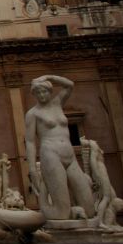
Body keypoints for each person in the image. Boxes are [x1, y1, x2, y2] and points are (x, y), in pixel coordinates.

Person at [25, 75, 95, 220]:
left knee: (89, 209)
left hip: (70, 156)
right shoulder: (33, 114)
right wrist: (32, 169)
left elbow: (69, 85)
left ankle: (74, 211)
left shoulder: (57, 104)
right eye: (38, 92)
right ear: (34, 94)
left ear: (50, 92)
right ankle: (52, 209)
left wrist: (48, 77)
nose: (42, 95)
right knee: (62, 213)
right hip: (51, 154)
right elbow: (30, 141)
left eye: (44, 91)